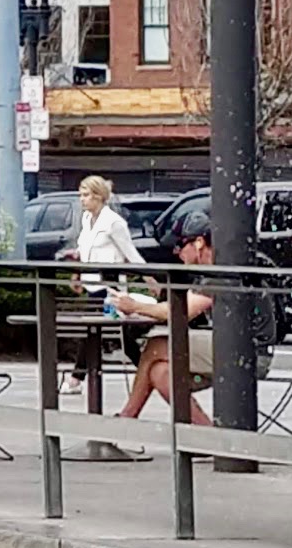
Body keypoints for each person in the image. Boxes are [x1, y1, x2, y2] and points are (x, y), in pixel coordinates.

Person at [113, 212, 276, 423]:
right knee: (160, 373)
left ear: (199, 242)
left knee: (156, 346)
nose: (177, 252)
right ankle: (207, 436)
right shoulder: (209, 272)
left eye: (181, 245)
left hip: (249, 354)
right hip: (233, 349)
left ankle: (126, 419)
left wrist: (135, 306)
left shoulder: (218, 273)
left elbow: (179, 312)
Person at [62, 175, 146, 395]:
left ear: (98, 196)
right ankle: (148, 369)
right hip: (92, 283)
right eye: (80, 195)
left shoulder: (114, 222)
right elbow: (83, 251)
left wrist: (150, 277)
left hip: (110, 286)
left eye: (86, 195)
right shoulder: (86, 219)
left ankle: (75, 378)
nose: (82, 200)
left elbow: (130, 253)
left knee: (97, 330)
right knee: (119, 335)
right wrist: (76, 274)